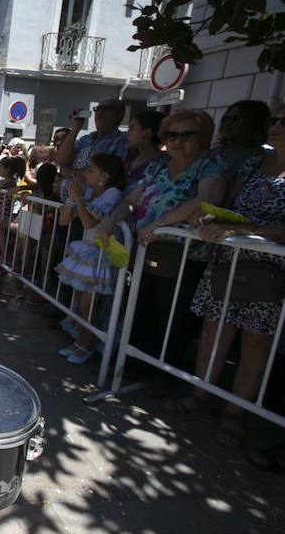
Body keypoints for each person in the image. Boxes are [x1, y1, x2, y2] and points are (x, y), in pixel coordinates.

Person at [164, 103, 285, 447]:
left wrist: (248, 230)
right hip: (227, 259)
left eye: (284, 121)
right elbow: (226, 205)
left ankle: (236, 414)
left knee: (255, 344)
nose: (276, 126)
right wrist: (209, 221)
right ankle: (200, 394)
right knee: (213, 332)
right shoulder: (252, 162)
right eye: (274, 120)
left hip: (268, 270)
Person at [98, 110, 225, 384]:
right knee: (141, 309)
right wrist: (109, 223)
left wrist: (160, 225)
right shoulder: (158, 165)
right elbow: (131, 199)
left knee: (173, 318)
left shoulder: (210, 165)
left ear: (203, 137)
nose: (178, 141)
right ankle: (133, 365)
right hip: (147, 249)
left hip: (185, 255)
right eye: (172, 135)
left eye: (186, 135)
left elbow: (206, 200)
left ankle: (163, 376)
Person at [55, 153, 125, 364]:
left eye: (90, 170)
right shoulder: (91, 191)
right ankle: (79, 341)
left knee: (89, 304)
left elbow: (88, 223)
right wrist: (71, 197)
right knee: (80, 302)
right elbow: (64, 220)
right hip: (86, 252)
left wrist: (79, 198)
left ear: (104, 175)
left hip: (99, 255)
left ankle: (88, 346)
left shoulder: (112, 193)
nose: (85, 174)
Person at [55, 99, 127, 203]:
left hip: (91, 208)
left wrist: (70, 172)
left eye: (106, 109)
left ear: (119, 115)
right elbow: (61, 160)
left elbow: (103, 175)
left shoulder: (120, 141)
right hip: (69, 207)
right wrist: (75, 129)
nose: (100, 113)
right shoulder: (86, 138)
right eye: (97, 109)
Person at [124, 110, 164, 194]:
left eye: (132, 129)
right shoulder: (129, 156)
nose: (127, 134)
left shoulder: (161, 164)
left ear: (146, 133)